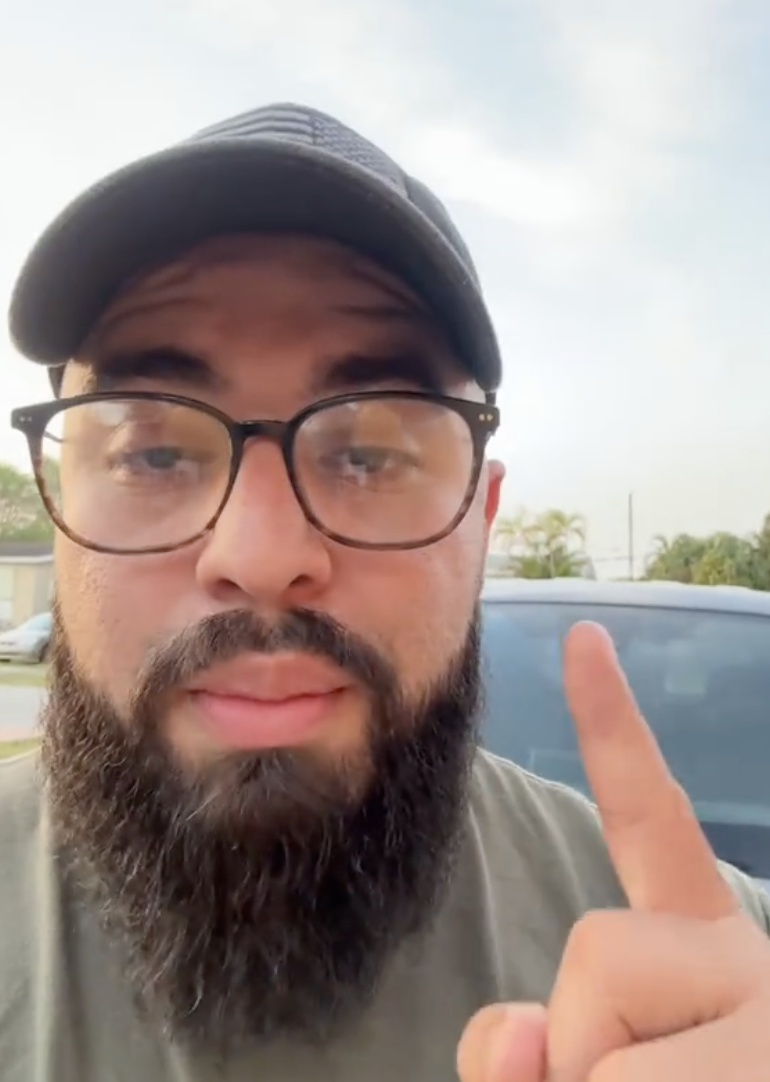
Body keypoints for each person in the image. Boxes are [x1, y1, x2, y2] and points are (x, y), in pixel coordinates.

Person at [1, 103, 769, 1082]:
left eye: (365, 452)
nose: (262, 553)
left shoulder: (715, 978)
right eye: (153, 450)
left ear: (480, 519)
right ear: (64, 500)